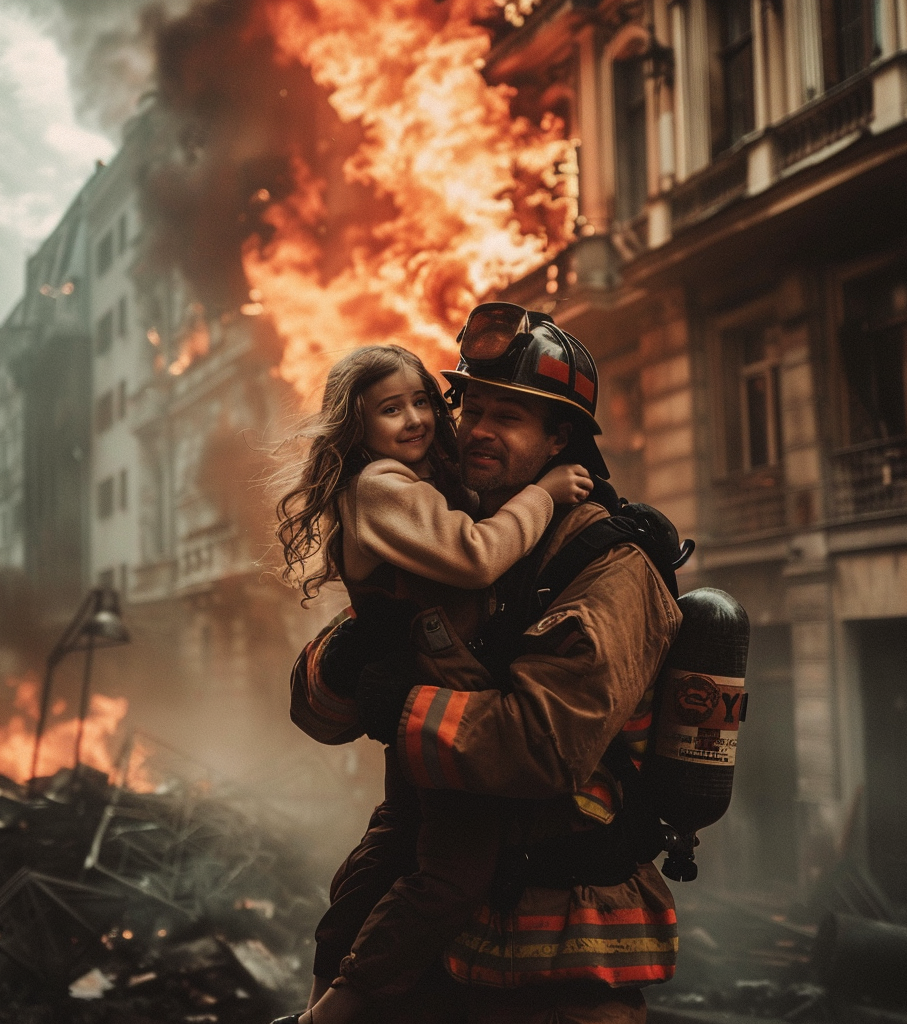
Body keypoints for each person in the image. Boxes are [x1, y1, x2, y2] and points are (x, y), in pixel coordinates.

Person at [293, 304, 684, 1024]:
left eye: (508, 417)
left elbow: (542, 745)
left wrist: (402, 704)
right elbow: (327, 710)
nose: (475, 430)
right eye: (471, 407)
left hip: (560, 961)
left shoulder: (609, 566)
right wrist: (351, 656)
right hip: (442, 956)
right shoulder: (466, 534)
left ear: (560, 437)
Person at [275, 343, 593, 1024]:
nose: (417, 418)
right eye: (392, 409)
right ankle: (338, 1008)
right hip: (441, 706)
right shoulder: (383, 486)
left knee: (395, 843)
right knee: (451, 874)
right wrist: (544, 493)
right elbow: (474, 555)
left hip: (432, 699)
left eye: (424, 400)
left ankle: (324, 990)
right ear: (354, 425)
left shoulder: (409, 481)